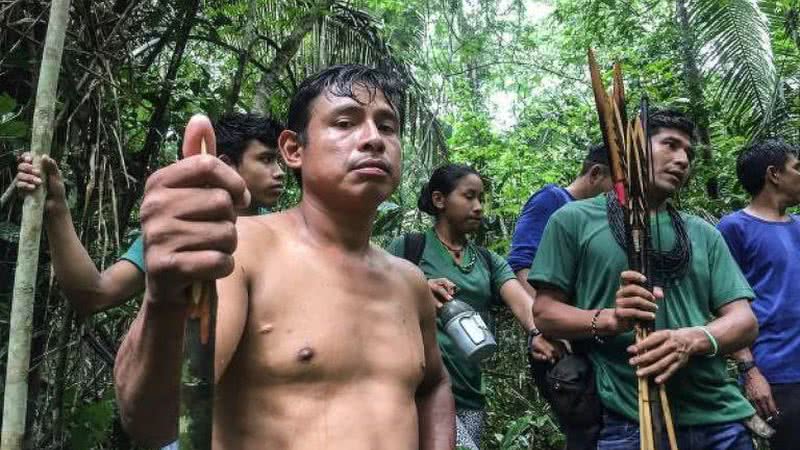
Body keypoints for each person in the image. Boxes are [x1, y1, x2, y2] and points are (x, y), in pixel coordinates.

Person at [114, 64, 455, 449]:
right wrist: (164, 297)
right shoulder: (241, 249)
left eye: (387, 127)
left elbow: (434, 384)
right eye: (345, 123)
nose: (373, 139)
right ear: (293, 150)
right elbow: (151, 422)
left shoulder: (408, 280)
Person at [530, 109, 759, 450]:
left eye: (688, 153)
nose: (682, 160)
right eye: (670, 145)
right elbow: (545, 312)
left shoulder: (704, 233)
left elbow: (744, 321)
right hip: (626, 420)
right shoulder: (573, 220)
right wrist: (609, 319)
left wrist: (691, 339)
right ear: (632, 147)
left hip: (720, 419)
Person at [13, 113, 285, 317]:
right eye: (266, 159)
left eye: (278, 160)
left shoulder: (283, 231)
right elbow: (94, 295)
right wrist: (56, 209)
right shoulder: (179, 227)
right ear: (226, 165)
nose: (279, 171)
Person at [388, 163, 537, 450]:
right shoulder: (409, 248)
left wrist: (540, 333)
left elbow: (523, 304)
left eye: (481, 198)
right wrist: (418, 289)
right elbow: (376, 300)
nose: (479, 207)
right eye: (469, 197)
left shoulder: (487, 261)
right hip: (419, 391)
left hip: (470, 395)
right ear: (439, 200)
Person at [717, 139, 800, 450]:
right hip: (776, 374)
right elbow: (724, 304)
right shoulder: (734, 228)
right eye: (797, 168)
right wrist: (750, 372)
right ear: (773, 174)